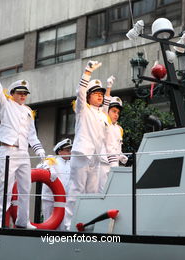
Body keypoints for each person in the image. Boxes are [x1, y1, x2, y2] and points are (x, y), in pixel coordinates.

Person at [0, 57, 46, 229]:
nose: (22, 96)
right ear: (12, 93)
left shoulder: (28, 111)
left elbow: (32, 135)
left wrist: (40, 150)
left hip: (23, 152)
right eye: (19, 93)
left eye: (25, 94)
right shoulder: (6, 104)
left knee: (25, 187)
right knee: (5, 186)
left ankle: (23, 220)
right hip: (8, 151)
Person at [64, 60, 110, 230]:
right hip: (82, 154)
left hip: (95, 158)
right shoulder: (83, 109)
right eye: (96, 93)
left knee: (91, 194)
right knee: (76, 191)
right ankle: (69, 226)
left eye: (102, 93)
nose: (100, 95)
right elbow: (80, 93)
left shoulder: (101, 115)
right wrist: (87, 73)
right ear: (89, 95)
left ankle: (89, 225)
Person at [99, 76, 128, 192]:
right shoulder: (105, 122)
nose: (116, 114)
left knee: (114, 192)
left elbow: (117, 149)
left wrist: (124, 158)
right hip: (104, 164)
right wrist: (109, 88)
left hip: (115, 165)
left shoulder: (119, 129)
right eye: (114, 111)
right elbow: (105, 107)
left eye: (118, 112)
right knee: (103, 192)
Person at [39, 139, 72, 230]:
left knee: (63, 225)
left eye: (70, 150)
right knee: (48, 223)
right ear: (60, 151)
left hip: (64, 199)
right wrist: (49, 168)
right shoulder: (52, 159)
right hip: (50, 198)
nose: (70, 152)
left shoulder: (71, 163)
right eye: (67, 150)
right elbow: (41, 166)